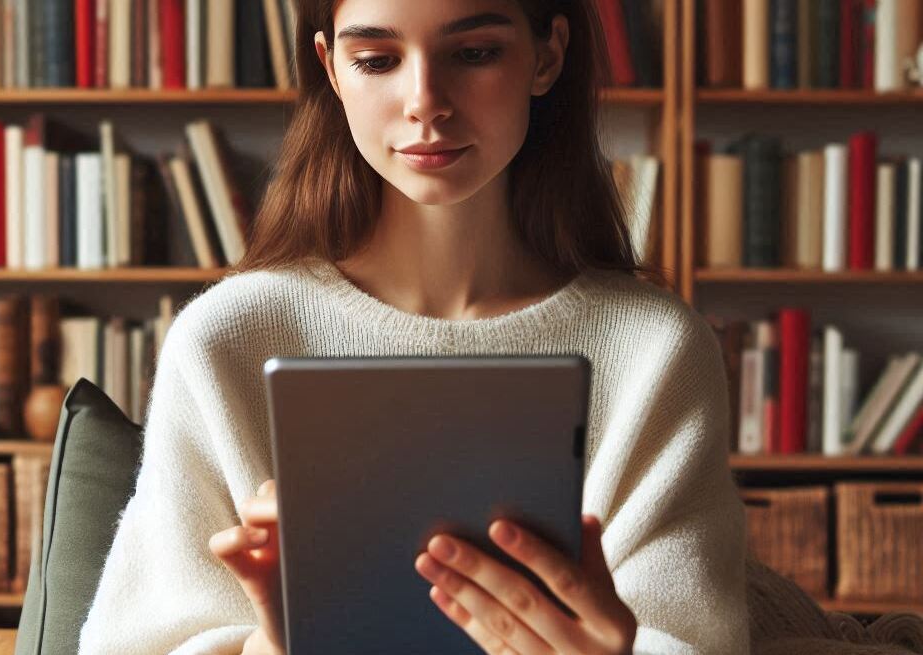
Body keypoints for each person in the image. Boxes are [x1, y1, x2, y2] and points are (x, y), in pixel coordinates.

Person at [78, 0, 756, 653]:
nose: (425, 101)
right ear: (330, 69)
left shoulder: (655, 351)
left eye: (475, 53)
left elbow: (695, 637)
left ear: (547, 57)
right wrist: (271, 646)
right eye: (376, 60)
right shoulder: (223, 342)